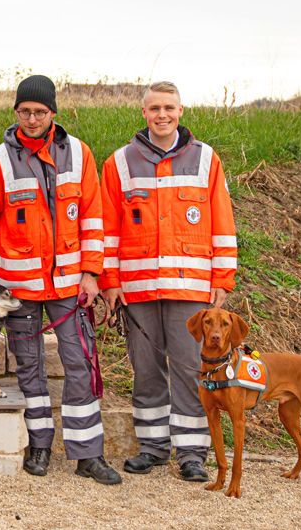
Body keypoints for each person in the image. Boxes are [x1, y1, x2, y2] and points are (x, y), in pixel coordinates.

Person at [0, 75, 121, 484]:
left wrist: (92, 274)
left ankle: (88, 454)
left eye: (39, 112)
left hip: (70, 287)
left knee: (80, 365)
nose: (31, 119)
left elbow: (93, 220)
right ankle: (39, 446)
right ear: (15, 113)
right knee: (30, 368)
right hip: (20, 290)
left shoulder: (80, 155)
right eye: (24, 111)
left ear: (53, 113)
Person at [99, 81, 237, 482]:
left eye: (169, 108)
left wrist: (223, 279)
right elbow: (107, 231)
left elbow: (223, 225)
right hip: (137, 290)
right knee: (146, 370)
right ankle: (154, 448)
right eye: (155, 108)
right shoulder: (120, 163)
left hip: (191, 290)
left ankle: (192, 453)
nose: (162, 115)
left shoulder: (206, 160)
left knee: (191, 369)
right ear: (144, 112)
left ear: (181, 111)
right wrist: (110, 281)